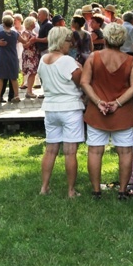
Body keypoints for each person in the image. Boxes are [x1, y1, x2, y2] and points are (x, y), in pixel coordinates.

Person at [81, 23, 133, 200]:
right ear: (122, 40)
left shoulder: (94, 57)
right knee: (125, 152)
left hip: (97, 112)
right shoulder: (130, 60)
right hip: (122, 113)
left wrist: (99, 102)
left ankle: (96, 191)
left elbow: (84, 82)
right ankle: (122, 191)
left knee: (94, 151)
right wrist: (118, 102)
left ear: (105, 38)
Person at [37, 27, 84, 198]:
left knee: (50, 150)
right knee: (70, 151)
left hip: (50, 107)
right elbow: (82, 82)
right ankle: (71, 190)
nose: (70, 44)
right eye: (68, 41)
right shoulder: (67, 61)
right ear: (61, 41)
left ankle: (44, 187)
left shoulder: (43, 59)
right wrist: (80, 67)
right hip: (70, 107)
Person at [0, 15, 24, 105]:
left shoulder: (0, 33)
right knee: (14, 78)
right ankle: (16, 96)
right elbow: (24, 41)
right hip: (13, 57)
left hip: (3, 57)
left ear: (3, 23)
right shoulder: (15, 33)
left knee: (0, 77)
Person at [20, 16, 40, 99]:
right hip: (29, 55)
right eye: (33, 22)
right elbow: (24, 45)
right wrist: (31, 41)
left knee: (34, 72)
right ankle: (29, 91)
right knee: (32, 72)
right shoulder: (25, 32)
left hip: (34, 54)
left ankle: (30, 90)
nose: (35, 24)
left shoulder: (33, 32)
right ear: (30, 24)